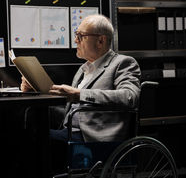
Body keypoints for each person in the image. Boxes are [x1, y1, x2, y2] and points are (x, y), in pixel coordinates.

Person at [21, 14, 141, 144]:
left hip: (93, 137)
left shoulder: (123, 63)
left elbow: (130, 96)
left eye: (81, 36)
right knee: (27, 128)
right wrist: (35, 90)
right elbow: (74, 110)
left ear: (100, 41)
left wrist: (79, 94)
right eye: (76, 35)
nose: (75, 40)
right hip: (72, 130)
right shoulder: (83, 69)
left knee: (30, 139)